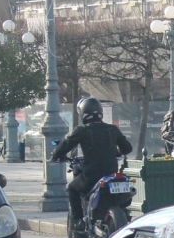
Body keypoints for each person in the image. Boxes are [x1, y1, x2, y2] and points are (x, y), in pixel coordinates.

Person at [50, 97, 134, 228]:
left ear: (83, 113)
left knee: (72, 188)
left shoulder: (82, 130)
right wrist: (115, 152)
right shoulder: (112, 129)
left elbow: (66, 145)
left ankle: (78, 221)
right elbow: (127, 148)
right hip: (111, 173)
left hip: (92, 175)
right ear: (100, 112)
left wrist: (56, 154)